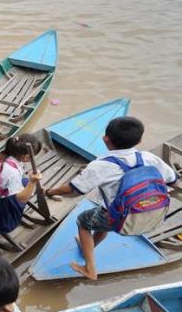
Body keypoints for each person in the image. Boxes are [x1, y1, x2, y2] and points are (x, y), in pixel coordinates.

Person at [45, 116, 177, 280]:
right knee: (101, 218)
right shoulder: (149, 158)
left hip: (120, 219)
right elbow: (172, 179)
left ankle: (90, 268)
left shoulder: (101, 164)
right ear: (140, 140)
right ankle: (91, 245)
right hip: (153, 214)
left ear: (105, 139)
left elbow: (74, 189)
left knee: (83, 221)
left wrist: (51, 192)